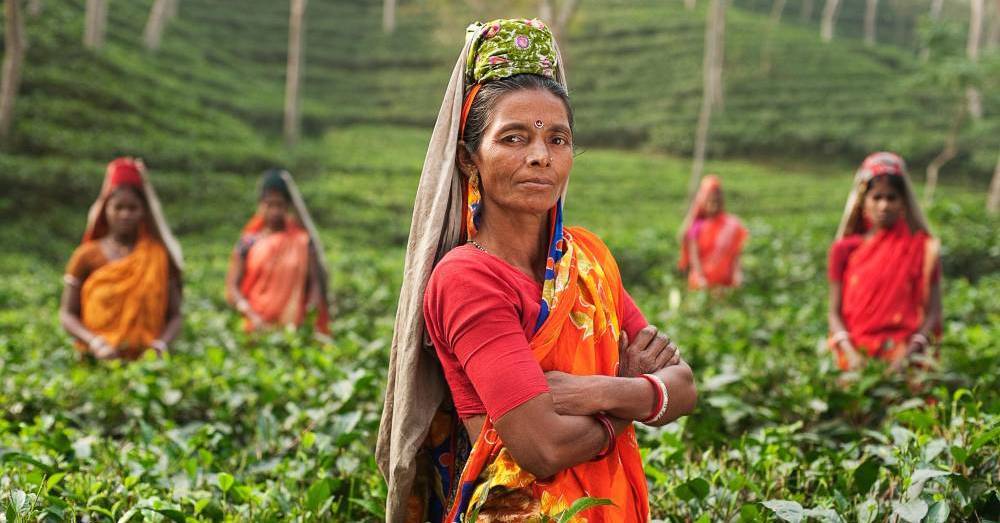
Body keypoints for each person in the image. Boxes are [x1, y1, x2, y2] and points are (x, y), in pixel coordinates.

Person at [377, 19, 697, 522]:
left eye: (558, 139)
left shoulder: (588, 258)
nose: (539, 157)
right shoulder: (466, 278)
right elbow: (542, 447)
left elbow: (685, 386)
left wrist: (599, 391)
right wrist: (634, 402)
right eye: (513, 138)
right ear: (468, 159)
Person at [59, 158, 184, 360]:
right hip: (95, 359)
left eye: (132, 208)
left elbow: (176, 315)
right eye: (118, 207)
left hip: (147, 364)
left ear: (143, 211)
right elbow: (67, 314)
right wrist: (95, 342)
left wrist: (160, 346)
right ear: (105, 209)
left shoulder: (159, 256)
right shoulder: (86, 256)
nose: (125, 214)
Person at [827, 152, 942, 372]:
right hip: (855, 357)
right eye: (877, 197)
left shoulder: (923, 248)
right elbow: (834, 313)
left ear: (903, 203)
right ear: (864, 201)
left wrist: (907, 357)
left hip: (905, 357)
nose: (884, 205)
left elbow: (933, 313)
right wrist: (850, 354)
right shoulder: (844, 250)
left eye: (891, 197)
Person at [225, 169, 331, 336]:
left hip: (293, 329)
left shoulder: (302, 241)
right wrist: (248, 312)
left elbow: (315, 285)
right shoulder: (248, 243)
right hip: (253, 326)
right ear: (261, 205)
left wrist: (309, 317)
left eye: (279, 205)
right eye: (269, 204)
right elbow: (232, 286)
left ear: (287, 206)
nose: (275, 211)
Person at [678, 174, 748, 289]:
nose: (713, 205)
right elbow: (693, 256)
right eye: (709, 200)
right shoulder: (696, 225)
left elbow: (735, 254)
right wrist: (701, 278)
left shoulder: (731, 224)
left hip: (726, 283)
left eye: (716, 200)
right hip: (701, 283)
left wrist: (737, 274)